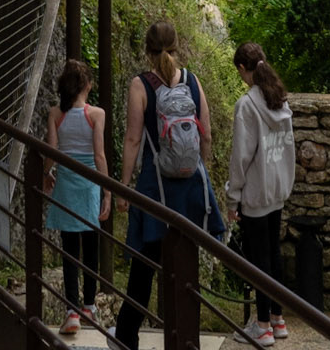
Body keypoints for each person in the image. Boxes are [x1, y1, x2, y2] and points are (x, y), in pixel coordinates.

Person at [114, 18, 223, 350]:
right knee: (185, 267)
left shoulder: (140, 85)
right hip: (189, 186)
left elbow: (133, 139)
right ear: (177, 47)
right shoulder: (191, 80)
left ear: (147, 51)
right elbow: (205, 131)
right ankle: (184, 339)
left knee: (144, 268)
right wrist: (199, 170)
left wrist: (123, 184)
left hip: (154, 187)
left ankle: (126, 338)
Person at [227, 41, 297, 347]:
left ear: (243, 69)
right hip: (278, 189)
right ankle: (278, 319)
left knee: (259, 260)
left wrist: (233, 196)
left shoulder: (247, 106)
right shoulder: (279, 100)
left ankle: (263, 324)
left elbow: (241, 156)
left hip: (256, 191)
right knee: (274, 253)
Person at [44, 59, 111, 337]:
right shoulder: (96, 114)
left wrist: (45, 173)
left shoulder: (55, 114)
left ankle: (71, 310)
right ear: (88, 85)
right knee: (91, 246)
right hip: (89, 186)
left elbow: (51, 150)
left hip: (66, 187)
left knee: (69, 248)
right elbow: (98, 156)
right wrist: (107, 191)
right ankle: (88, 306)